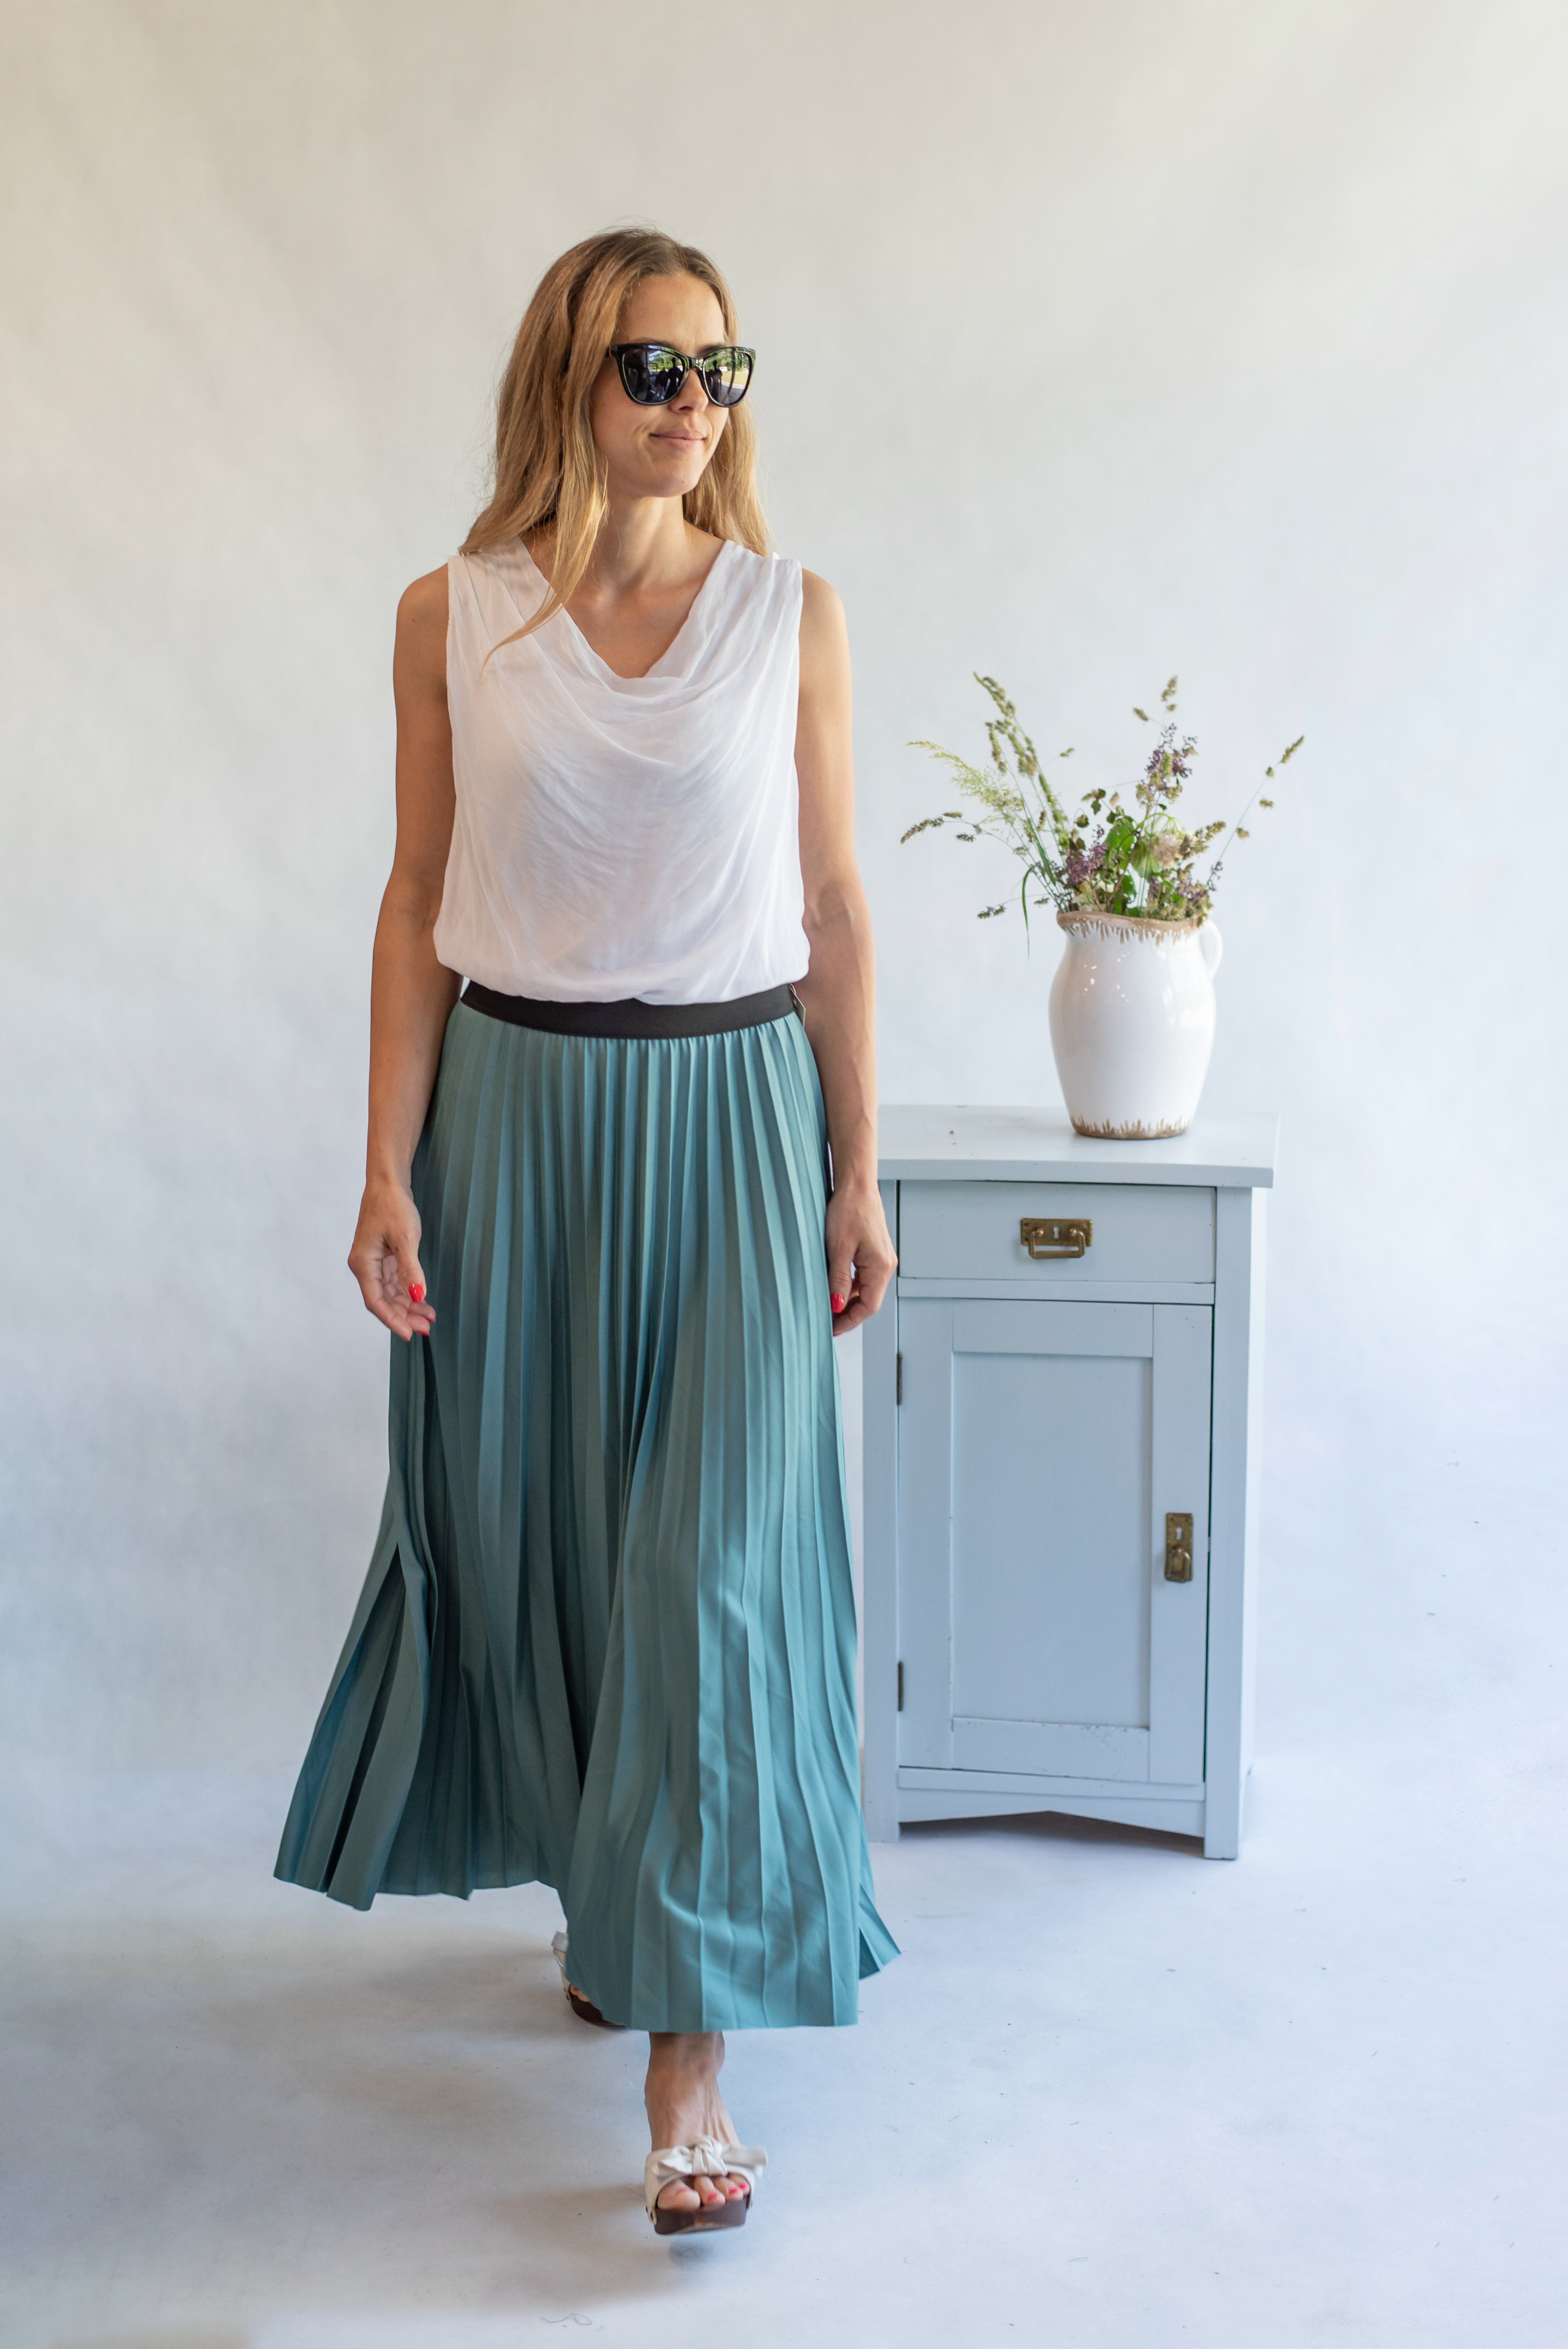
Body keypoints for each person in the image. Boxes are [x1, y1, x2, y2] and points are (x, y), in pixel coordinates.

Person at [274, 227, 899, 2236]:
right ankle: (612, 1901)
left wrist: (856, 1163)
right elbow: (413, 898)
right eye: (657, 367)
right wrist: (386, 1163)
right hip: (514, 1121)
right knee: (544, 1549)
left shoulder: (788, 614)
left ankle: (687, 2059)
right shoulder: (450, 616)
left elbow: (833, 908)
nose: (697, 404)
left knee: (715, 1580)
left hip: (729, 1121)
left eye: (724, 370)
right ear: (570, 374)